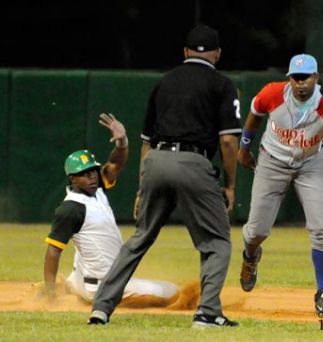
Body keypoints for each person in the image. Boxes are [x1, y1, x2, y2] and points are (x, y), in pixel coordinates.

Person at [89, 25, 242, 328]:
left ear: (185, 52)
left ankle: (101, 307)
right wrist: (230, 185)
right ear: (218, 54)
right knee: (217, 242)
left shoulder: (164, 82)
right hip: (193, 162)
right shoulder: (223, 84)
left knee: (140, 237)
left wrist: (140, 188)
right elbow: (227, 141)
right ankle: (208, 313)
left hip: (156, 161)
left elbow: (146, 141)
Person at [238, 54, 323, 317]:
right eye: (296, 77)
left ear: (316, 78)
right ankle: (250, 256)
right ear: (289, 79)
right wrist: (244, 147)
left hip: (310, 164)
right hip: (272, 161)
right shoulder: (272, 93)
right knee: (256, 231)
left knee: (321, 228)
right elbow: (254, 115)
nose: (301, 83)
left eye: (306, 77)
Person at [43, 113, 179, 306]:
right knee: (173, 293)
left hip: (82, 279)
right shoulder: (71, 208)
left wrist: (122, 142)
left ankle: (70, 286)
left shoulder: (96, 189)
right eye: (84, 174)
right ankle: (63, 290)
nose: (91, 177)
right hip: (102, 286)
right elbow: (53, 251)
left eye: (92, 171)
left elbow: (115, 164)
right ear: (72, 179)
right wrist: (50, 295)